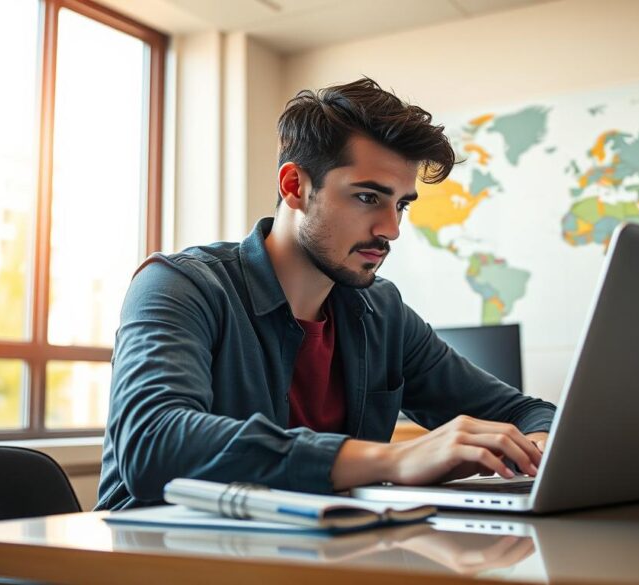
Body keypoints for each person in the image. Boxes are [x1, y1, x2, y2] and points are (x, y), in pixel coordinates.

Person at [95, 78, 556, 511]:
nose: (391, 229)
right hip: (157, 557)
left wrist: (527, 450)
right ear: (295, 186)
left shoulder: (384, 312)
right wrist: (394, 460)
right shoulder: (180, 285)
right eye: (367, 197)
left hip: (309, 558)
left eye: (400, 204)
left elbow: (527, 412)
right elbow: (152, 442)